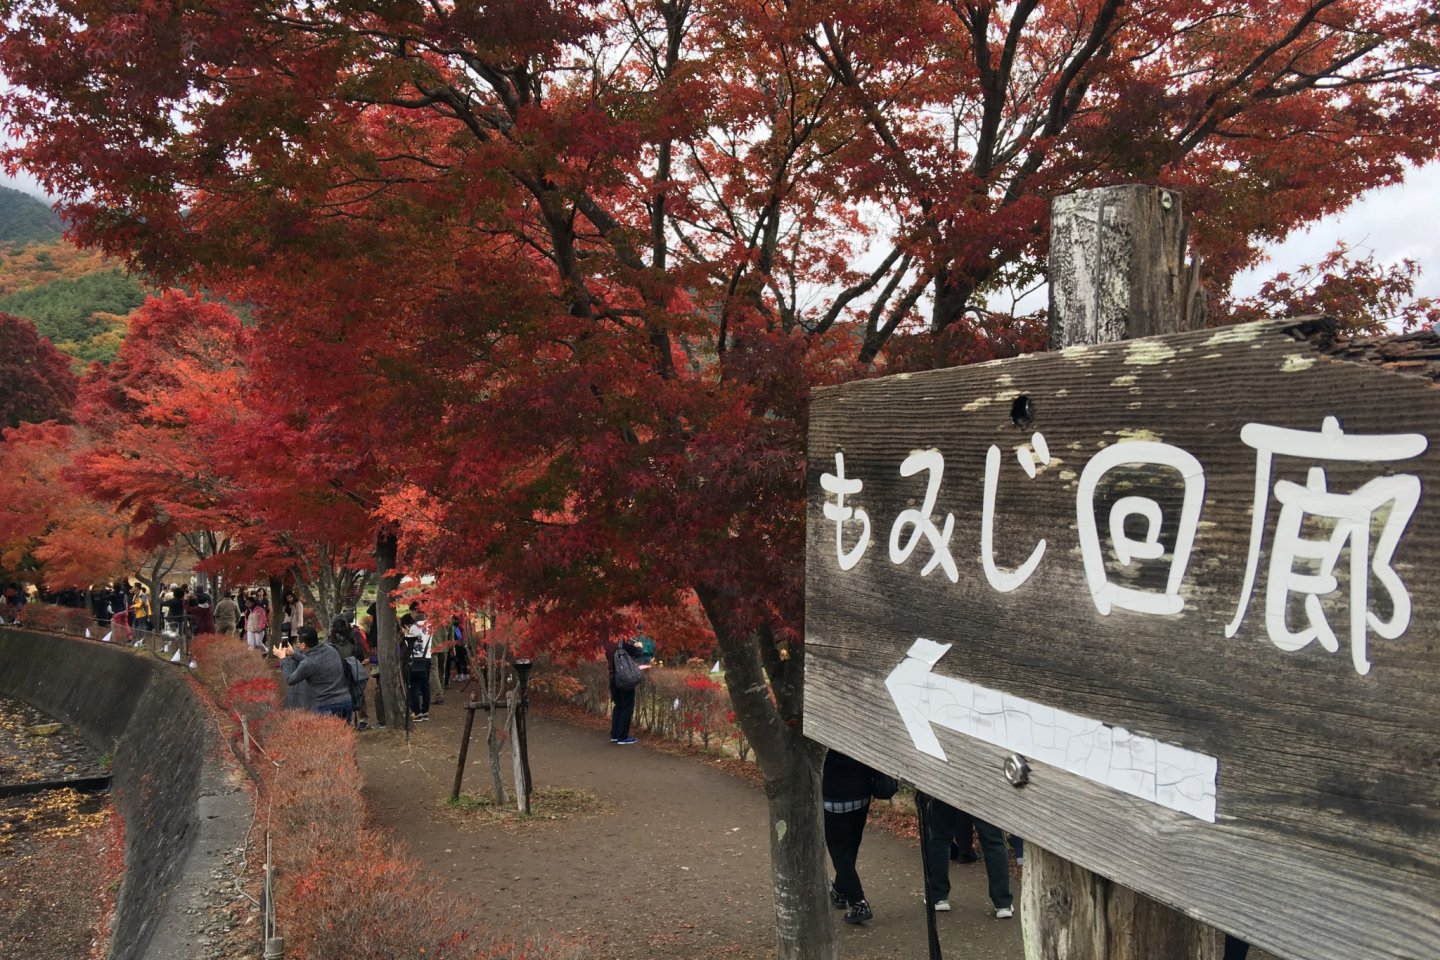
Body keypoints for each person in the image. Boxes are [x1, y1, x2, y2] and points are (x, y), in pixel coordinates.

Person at [919, 793, 1014, 919]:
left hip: (946, 783)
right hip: (983, 787)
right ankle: (1003, 902)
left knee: (939, 839)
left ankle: (938, 896)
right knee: (993, 842)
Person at [823, 749, 878, 924]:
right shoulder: (857, 724)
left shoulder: (822, 731)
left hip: (834, 797)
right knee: (851, 847)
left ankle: (859, 904)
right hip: (861, 793)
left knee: (840, 854)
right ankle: (839, 891)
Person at [277, 625, 352, 720]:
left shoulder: (308, 663)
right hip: (346, 700)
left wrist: (283, 658)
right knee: (345, 734)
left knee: (327, 735)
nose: (298, 645)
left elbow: (290, 679)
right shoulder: (331, 650)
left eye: (298, 643)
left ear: (303, 645)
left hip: (327, 706)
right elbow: (314, 663)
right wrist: (293, 654)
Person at [605, 631, 646, 744]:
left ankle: (615, 735)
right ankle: (622, 736)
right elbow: (637, 653)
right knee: (627, 706)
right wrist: (639, 646)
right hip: (624, 677)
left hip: (613, 678)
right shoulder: (622, 641)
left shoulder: (608, 642)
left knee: (618, 706)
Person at [402, 612, 433, 721]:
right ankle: (425, 711)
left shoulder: (415, 627)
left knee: (413, 685)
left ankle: (417, 712)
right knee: (425, 685)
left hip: (415, 659)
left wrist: (405, 633)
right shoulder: (430, 626)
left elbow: (409, 642)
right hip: (427, 657)